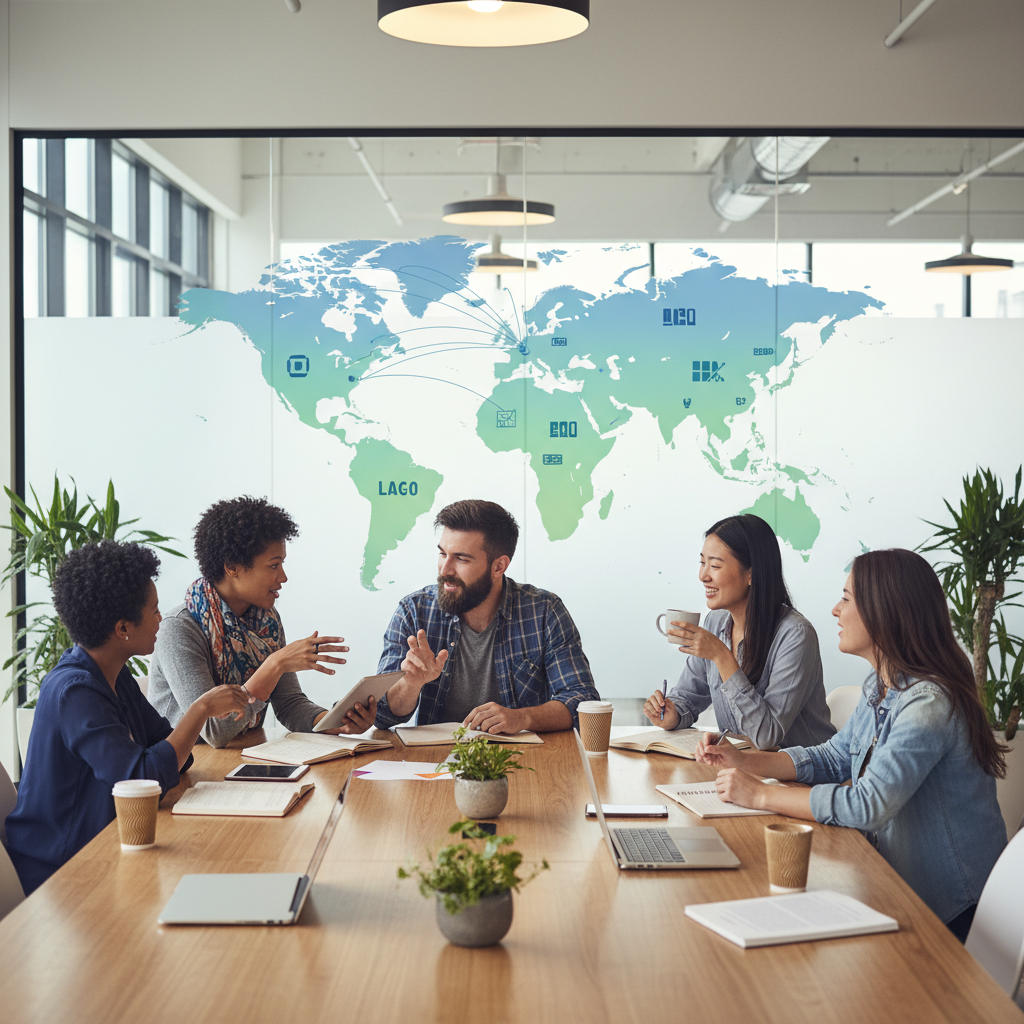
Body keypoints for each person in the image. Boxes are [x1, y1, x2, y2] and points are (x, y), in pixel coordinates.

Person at [698, 548, 1008, 941]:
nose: (834, 610)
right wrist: (747, 762)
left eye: (846, 598)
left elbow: (867, 805)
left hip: (952, 913)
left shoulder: (928, 703)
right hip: (896, 885)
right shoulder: (884, 686)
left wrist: (760, 796)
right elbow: (835, 756)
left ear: (885, 612)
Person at [5, 541, 253, 895]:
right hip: (63, 869)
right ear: (123, 628)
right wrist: (199, 709)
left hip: (108, 843)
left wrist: (171, 751)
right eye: (153, 610)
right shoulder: (75, 690)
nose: (160, 618)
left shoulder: (114, 674)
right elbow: (144, 777)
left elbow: (170, 753)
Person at [147, 496, 363, 747]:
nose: (283, 577)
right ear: (232, 567)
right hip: (188, 768)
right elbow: (214, 731)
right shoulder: (179, 628)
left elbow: (290, 704)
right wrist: (275, 663)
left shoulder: (266, 622)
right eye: (274, 565)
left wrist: (334, 722)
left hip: (241, 758)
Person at [374, 499, 600, 734]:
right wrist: (411, 684)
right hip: (434, 764)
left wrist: (523, 718)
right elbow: (381, 714)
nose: (445, 570)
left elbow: (582, 701)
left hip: (523, 761)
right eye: (443, 554)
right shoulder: (413, 611)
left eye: (461, 558)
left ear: (498, 567)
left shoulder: (544, 610)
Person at [643, 514, 834, 748]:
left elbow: (765, 737)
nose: (703, 576)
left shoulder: (795, 635)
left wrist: (722, 656)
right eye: (702, 563)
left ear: (751, 573)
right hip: (742, 770)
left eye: (714, 565)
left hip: (799, 777)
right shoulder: (715, 622)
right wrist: (671, 713)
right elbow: (687, 698)